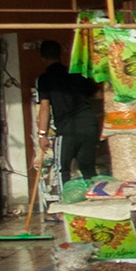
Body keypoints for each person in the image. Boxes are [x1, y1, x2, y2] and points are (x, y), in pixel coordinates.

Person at [36, 40, 100, 180]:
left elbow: (45, 107)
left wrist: (42, 134)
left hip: (67, 130)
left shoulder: (45, 79)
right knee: (88, 169)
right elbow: (97, 94)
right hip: (89, 126)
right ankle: (95, 197)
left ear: (43, 58)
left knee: (62, 169)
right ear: (61, 56)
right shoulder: (77, 74)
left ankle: (65, 199)